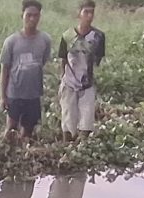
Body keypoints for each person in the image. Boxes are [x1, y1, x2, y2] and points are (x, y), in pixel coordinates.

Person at [1, 0, 54, 142]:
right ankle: (6, 154)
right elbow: (5, 69)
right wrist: (3, 96)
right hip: (15, 93)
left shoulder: (45, 40)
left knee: (28, 131)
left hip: (33, 94)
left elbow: (42, 62)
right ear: (22, 16)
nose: (32, 19)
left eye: (35, 15)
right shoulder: (11, 41)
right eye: (28, 15)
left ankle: (22, 158)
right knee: (10, 128)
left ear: (39, 17)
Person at [56, 1, 107, 140]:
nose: (89, 16)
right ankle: (68, 149)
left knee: (86, 123)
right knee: (68, 122)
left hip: (87, 83)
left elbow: (98, 60)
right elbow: (63, 59)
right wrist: (63, 81)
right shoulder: (67, 36)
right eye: (86, 12)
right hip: (69, 83)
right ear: (79, 13)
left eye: (92, 12)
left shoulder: (98, 37)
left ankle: (81, 150)